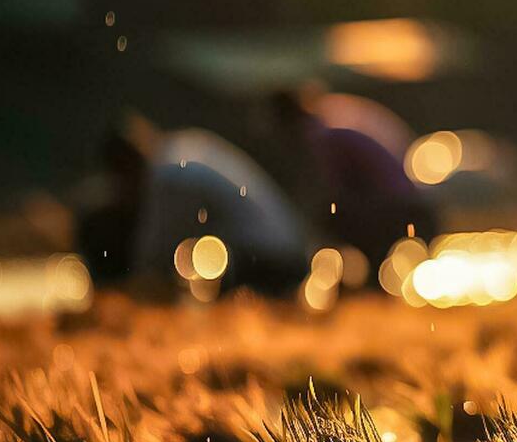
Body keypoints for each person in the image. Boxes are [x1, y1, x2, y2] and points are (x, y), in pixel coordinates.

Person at [77, 117, 307, 295]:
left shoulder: (169, 175)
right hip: (288, 250)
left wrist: (118, 293)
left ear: (125, 165)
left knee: (196, 262)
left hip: (269, 263)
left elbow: (153, 256)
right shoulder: (183, 146)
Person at [268, 85, 440, 279]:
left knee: (329, 219)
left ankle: (338, 279)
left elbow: (330, 192)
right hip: (412, 208)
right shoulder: (331, 129)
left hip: (398, 211)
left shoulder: (321, 138)